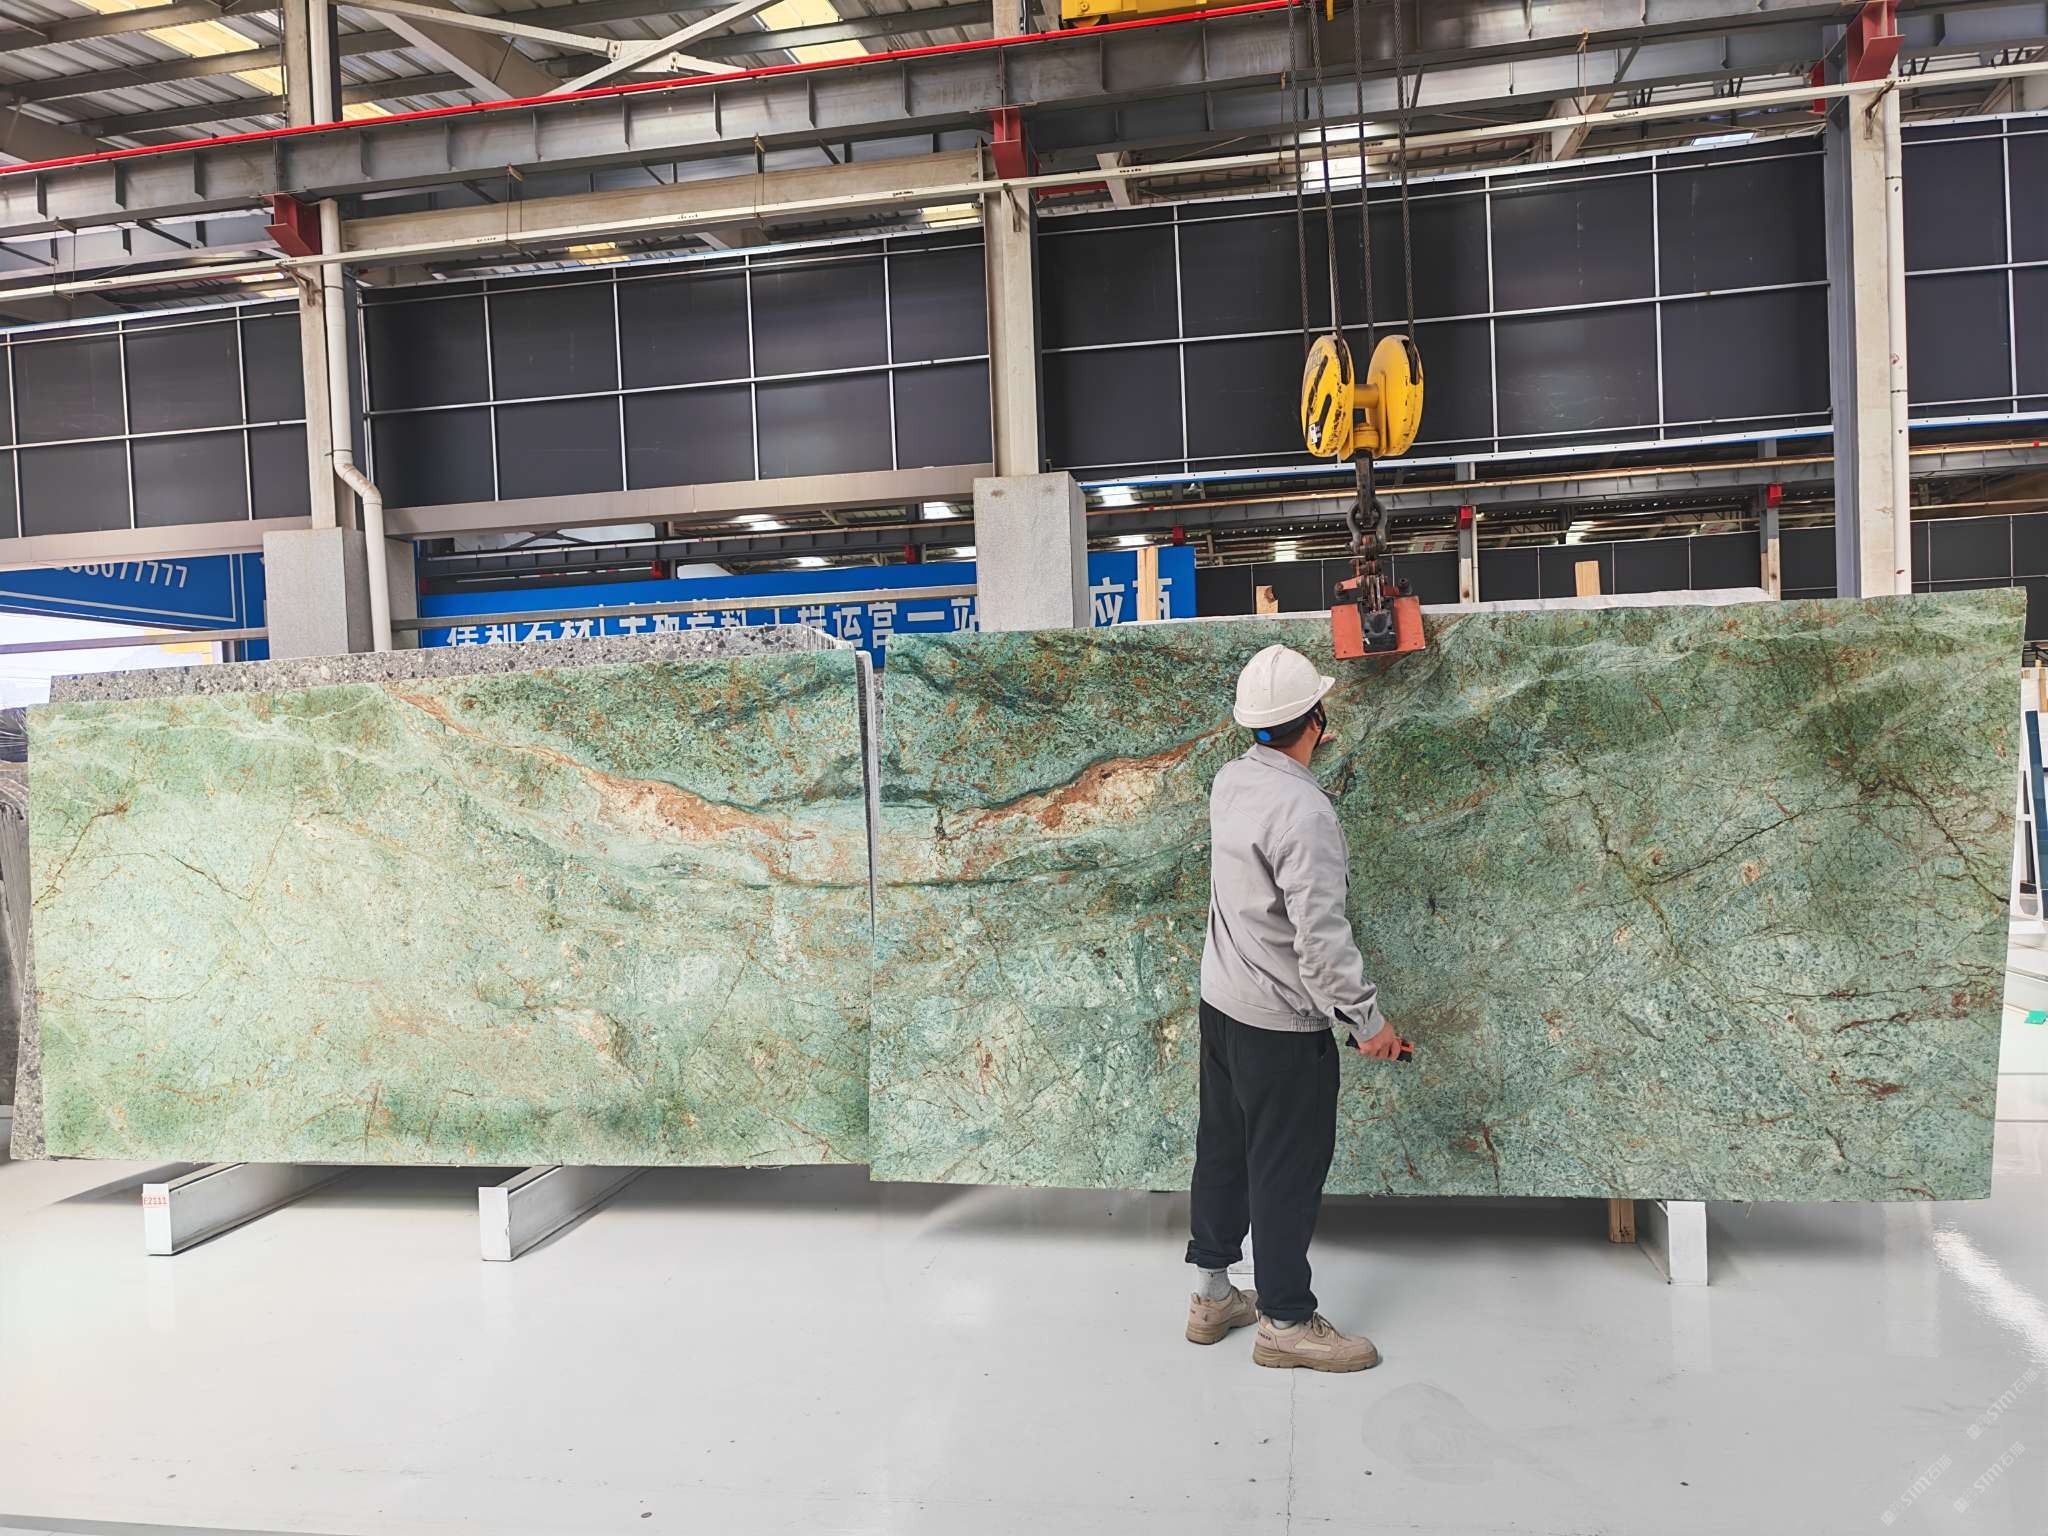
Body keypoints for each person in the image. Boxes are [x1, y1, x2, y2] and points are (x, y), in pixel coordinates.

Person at [1182, 643, 1409, 1373]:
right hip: (1280, 1026)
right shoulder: (1306, 811)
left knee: (1223, 1150)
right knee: (1285, 1170)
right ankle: (1284, 1320)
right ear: (1316, 719)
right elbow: (1321, 942)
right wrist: (1367, 1024)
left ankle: (1212, 1296)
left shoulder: (1230, 781)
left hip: (1221, 1006)